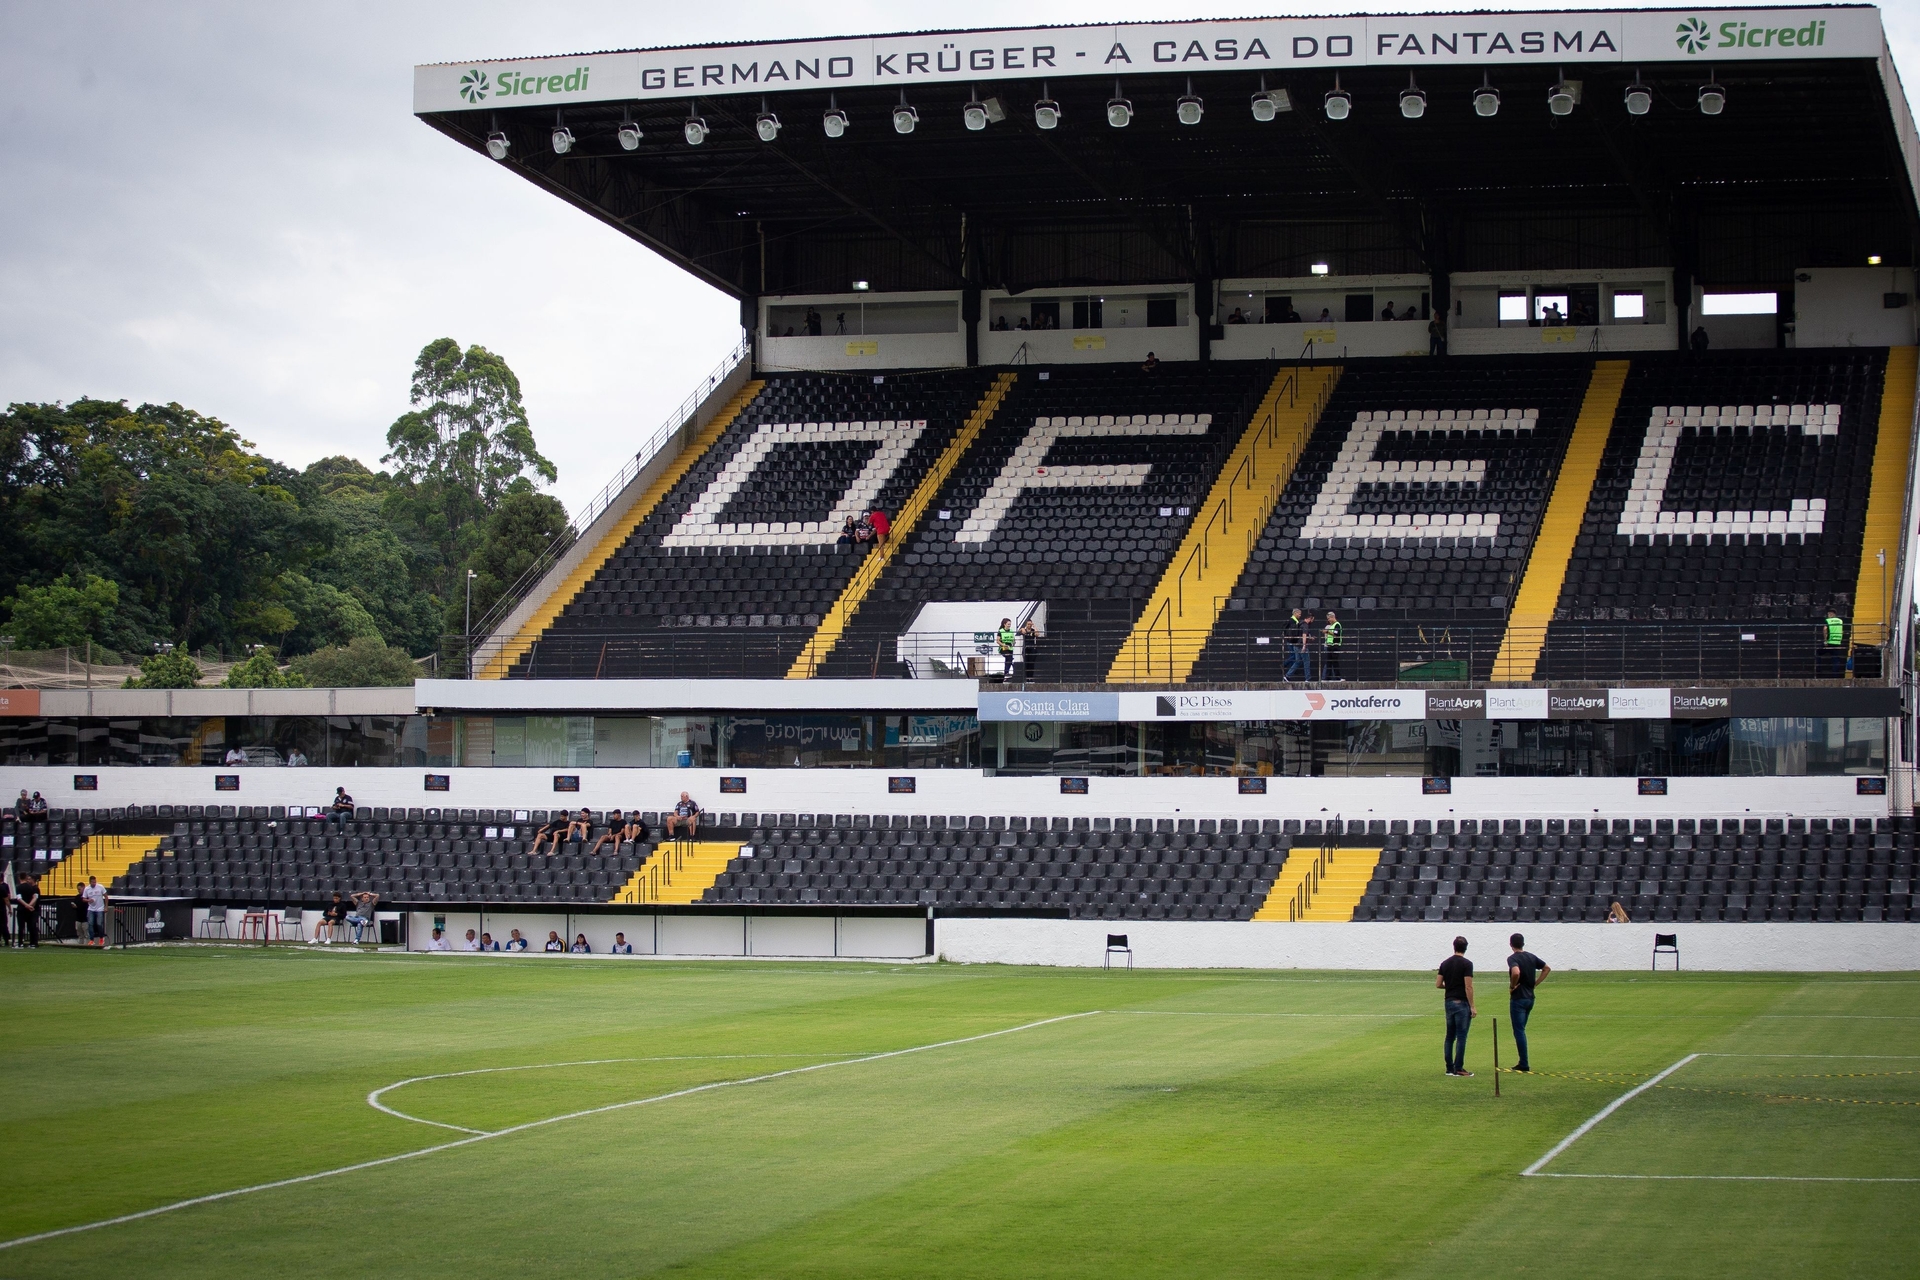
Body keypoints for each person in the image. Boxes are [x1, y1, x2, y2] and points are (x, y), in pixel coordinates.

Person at [1507, 934, 1550, 1074]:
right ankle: (1522, 1061)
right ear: (1523, 944)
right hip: (1530, 997)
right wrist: (1535, 984)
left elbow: (1515, 972)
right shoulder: (1531, 957)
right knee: (1521, 1029)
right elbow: (1546, 968)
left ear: (1511, 944)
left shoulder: (1512, 958)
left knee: (1519, 1031)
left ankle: (1524, 1063)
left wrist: (1512, 986)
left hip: (1518, 998)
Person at [1436, 935, 1475, 1077]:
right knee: (1461, 1036)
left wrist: (1450, 986)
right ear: (1465, 948)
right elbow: (1468, 987)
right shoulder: (1467, 964)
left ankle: (1449, 1067)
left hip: (1449, 1001)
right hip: (1461, 1003)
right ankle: (1459, 1067)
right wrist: (1472, 1006)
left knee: (1449, 1036)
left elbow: (1438, 984)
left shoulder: (1445, 963)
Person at [1282, 607, 1310, 681]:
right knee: (1295, 657)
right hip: (1293, 642)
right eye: (1299, 614)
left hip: (1293, 642)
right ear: (1295, 613)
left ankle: (1288, 674)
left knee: (1296, 659)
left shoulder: (1296, 621)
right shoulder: (1293, 621)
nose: (1300, 615)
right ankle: (1284, 665)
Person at [15, 874, 41, 947]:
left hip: (21, 908)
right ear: (26, 878)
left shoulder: (19, 887)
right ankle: (32, 943)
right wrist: (30, 905)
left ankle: (20, 943)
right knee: (31, 926)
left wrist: (26, 905)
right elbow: (35, 897)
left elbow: (19, 898)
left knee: (21, 927)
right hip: (30, 910)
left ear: (19, 877)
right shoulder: (31, 887)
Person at [81, 875, 107, 947]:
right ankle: (91, 940)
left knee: (99, 924)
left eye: (95, 882)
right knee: (90, 924)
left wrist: (106, 906)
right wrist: (88, 900)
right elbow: (83, 899)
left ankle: (101, 938)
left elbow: (106, 896)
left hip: (100, 908)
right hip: (91, 908)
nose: (94, 883)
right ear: (90, 882)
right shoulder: (87, 889)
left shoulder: (100, 887)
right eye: (92, 882)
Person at [1821, 608, 1846, 677]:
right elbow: (1842, 631)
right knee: (1836, 659)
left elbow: (1825, 629)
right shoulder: (1840, 621)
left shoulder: (1828, 620)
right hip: (1837, 643)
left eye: (1829, 613)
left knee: (1818, 653)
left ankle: (1818, 670)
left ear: (1831, 614)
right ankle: (1835, 676)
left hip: (1829, 642)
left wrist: (1825, 641)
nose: (1828, 615)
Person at [1320, 611, 1344, 681]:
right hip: (1330, 645)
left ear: (1332, 617)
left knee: (1335, 662)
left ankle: (1338, 677)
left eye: (1329, 618)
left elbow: (1336, 634)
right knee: (1329, 662)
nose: (1328, 620)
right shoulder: (1332, 625)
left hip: (1335, 645)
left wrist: (1327, 631)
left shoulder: (1337, 625)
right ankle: (1327, 677)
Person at [996, 617, 1017, 682]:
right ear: (1004, 624)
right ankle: (1007, 673)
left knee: (1009, 660)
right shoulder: (1001, 631)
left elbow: (1013, 640)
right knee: (1009, 657)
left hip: (1010, 648)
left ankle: (1006, 674)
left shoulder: (1011, 631)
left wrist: (1013, 643)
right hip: (1003, 647)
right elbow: (997, 641)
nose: (1009, 625)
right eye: (1008, 624)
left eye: (1010, 624)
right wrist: (1003, 645)